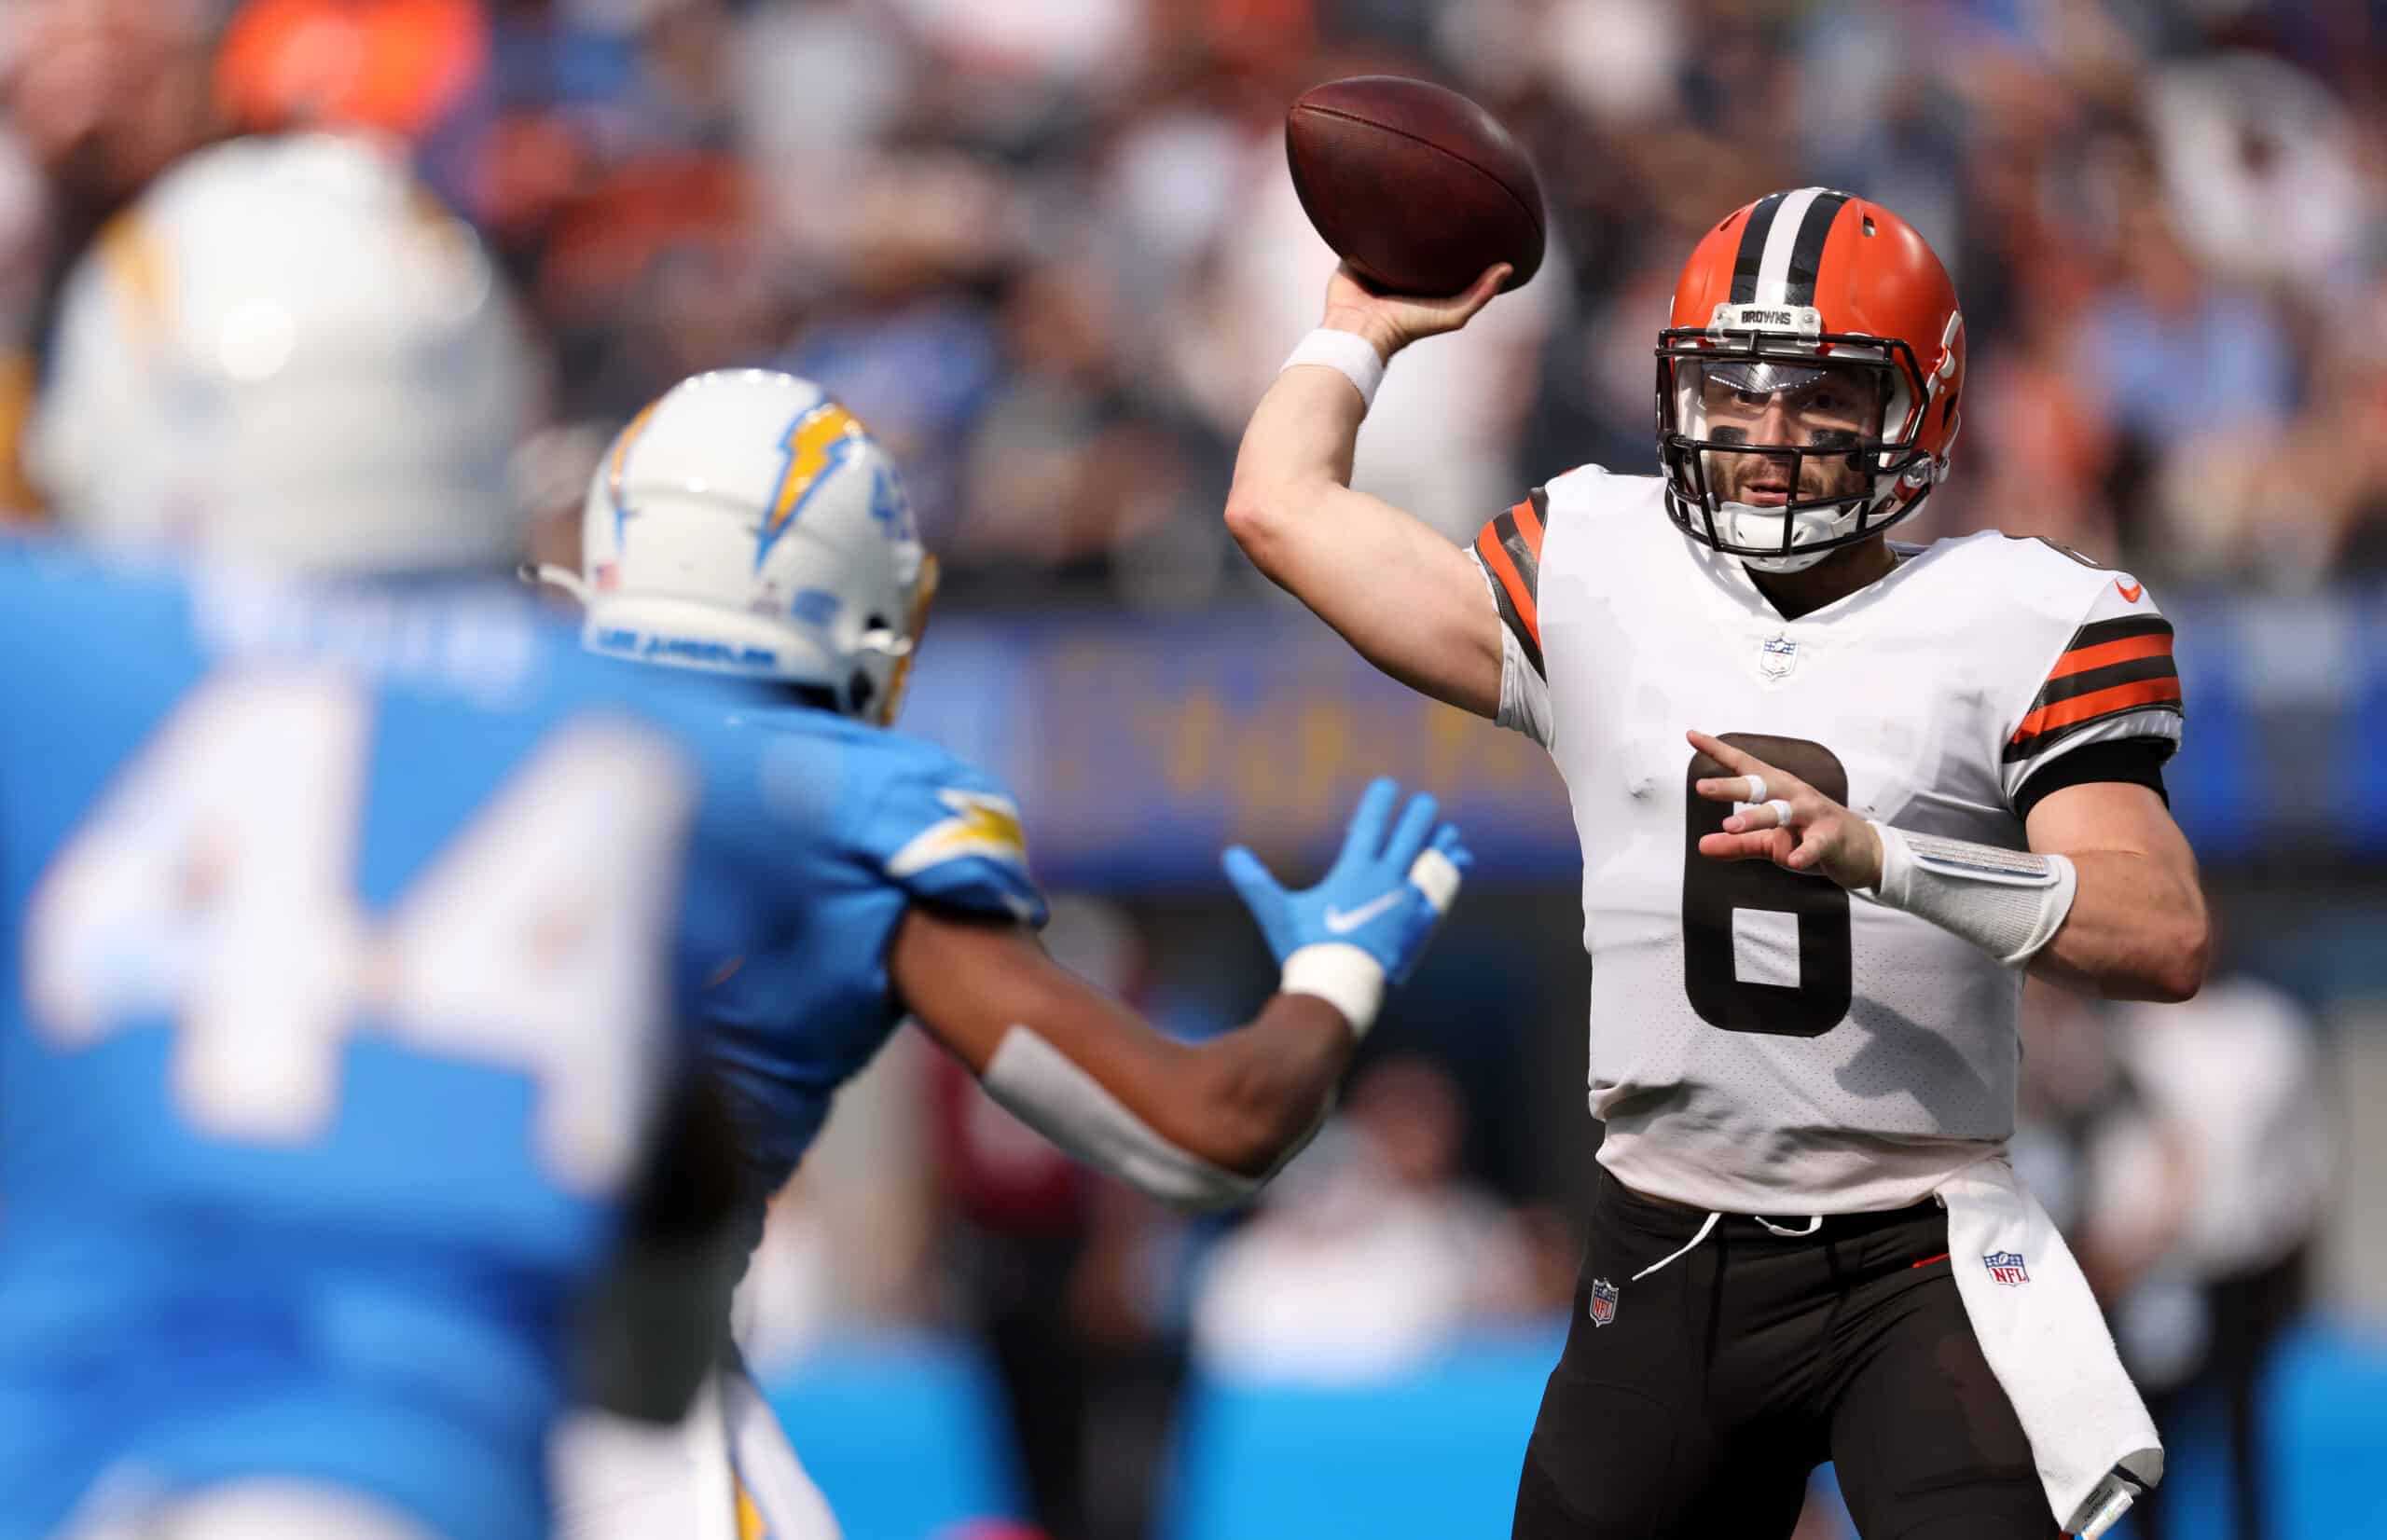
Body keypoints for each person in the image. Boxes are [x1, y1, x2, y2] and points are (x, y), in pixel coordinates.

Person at [1222, 186, 2210, 1540]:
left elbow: (2160, 932)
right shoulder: (1602, 563)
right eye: (1736, 393)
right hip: (1668, 1235)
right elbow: (1282, 510)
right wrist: (1354, 332)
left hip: (1917, 1245)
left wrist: (1889, 861)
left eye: (1821, 398)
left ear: (1922, 409)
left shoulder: (2024, 616)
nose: (1769, 438)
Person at [0, 132, 785, 1540]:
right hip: (435, 1478)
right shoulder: (659, 753)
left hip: (107, 1474)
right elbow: (661, 1334)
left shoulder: (45, 654)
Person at [534, 366, 1472, 1540]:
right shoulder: (843, 809)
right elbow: (1211, 1125)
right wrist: (1334, 974)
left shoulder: (431, 721)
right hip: (595, 1394)